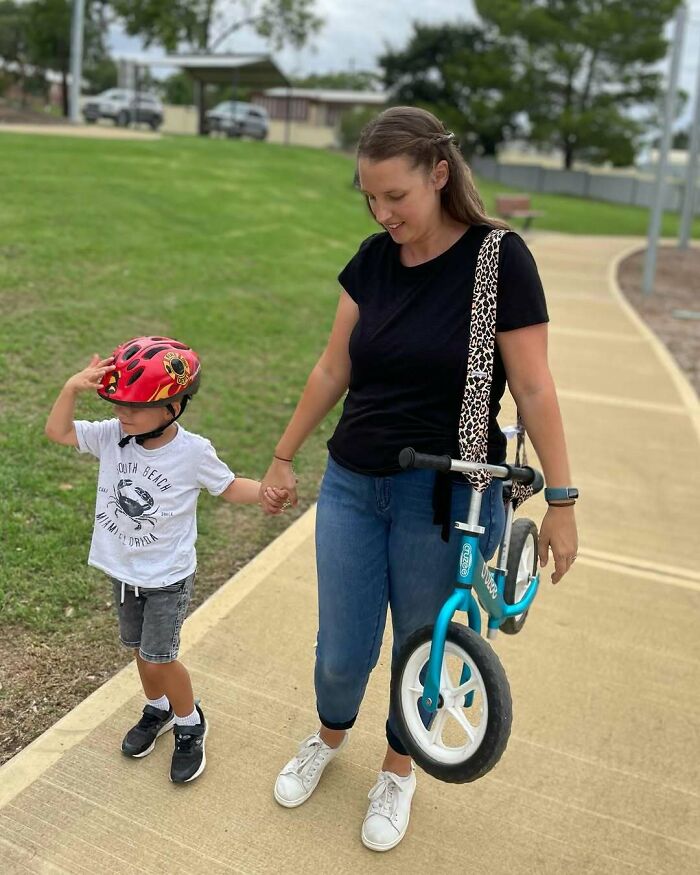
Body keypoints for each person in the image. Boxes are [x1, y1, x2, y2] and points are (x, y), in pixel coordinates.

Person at [259, 106, 578, 852]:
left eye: (395, 195)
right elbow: (333, 365)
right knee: (341, 647)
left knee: (420, 646)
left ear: (439, 174)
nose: (383, 211)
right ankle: (328, 735)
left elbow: (534, 388)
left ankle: (399, 767)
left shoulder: (500, 259)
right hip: (351, 481)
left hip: (446, 495)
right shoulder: (373, 258)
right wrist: (282, 454)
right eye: (370, 197)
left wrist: (561, 500)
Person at [45, 336, 288, 784]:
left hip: (167, 577)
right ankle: (157, 708)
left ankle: (190, 720)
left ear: (173, 406)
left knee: (159, 657)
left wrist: (265, 496)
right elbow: (58, 432)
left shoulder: (191, 452)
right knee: (139, 650)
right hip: (123, 573)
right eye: (117, 402)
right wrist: (70, 388)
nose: (122, 412)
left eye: (134, 406)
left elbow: (228, 485)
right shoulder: (113, 435)